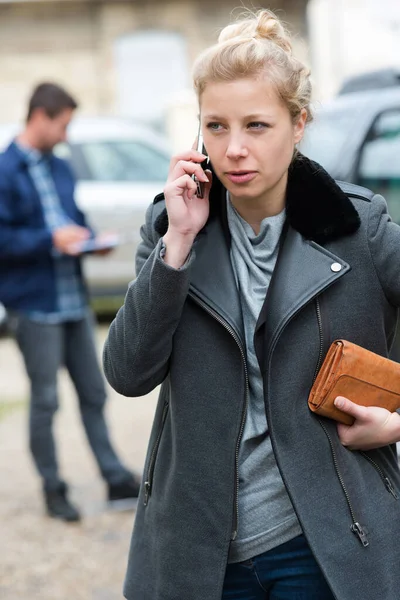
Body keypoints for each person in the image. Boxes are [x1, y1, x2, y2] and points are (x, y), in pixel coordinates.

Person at [103, 9, 400, 600]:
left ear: (299, 124)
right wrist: (177, 245)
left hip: (327, 542)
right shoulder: (169, 229)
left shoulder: (355, 226)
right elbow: (128, 373)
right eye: (215, 126)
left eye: (257, 126)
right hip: (200, 550)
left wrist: (396, 422)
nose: (234, 149)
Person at [0, 82, 140, 522]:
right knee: (45, 400)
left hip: (73, 300)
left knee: (94, 393)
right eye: (63, 124)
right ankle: (53, 488)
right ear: (40, 116)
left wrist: (90, 240)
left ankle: (115, 477)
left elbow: (74, 220)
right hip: (34, 306)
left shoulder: (61, 169)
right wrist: (50, 240)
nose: (66, 135)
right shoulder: (3, 172)